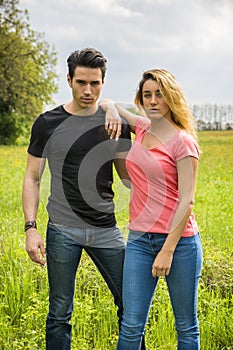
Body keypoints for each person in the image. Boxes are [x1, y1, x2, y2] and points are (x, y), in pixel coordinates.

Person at [22, 47, 132, 350]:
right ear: (69, 79)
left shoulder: (114, 123)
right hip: (61, 230)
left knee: (131, 306)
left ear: (103, 83)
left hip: (106, 230)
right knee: (59, 313)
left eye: (95, 84)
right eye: (81, 82)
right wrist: (31, 228)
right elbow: (32, 178)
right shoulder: (47, 123)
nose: (88, 90)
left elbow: (127, 178)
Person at [101, 68, 203, 349]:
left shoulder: (183, 142)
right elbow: (110, 104)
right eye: (147, 95)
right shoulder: (143, 128)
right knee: (131, 324)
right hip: (139, 240)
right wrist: (110, 108)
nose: (153, 101)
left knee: (186, 326)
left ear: (171, 97)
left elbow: (187, 200)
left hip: (179, 244)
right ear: (141, 99)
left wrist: (167, 251)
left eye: (160, 94)